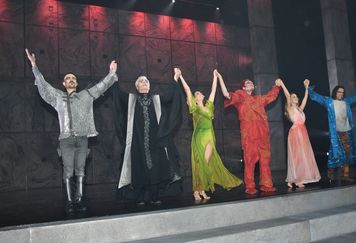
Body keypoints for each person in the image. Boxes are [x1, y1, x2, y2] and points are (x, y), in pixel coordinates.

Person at [25, 48, 118, 213]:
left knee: (80, 170)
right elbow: (43, 85)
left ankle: (80, 199)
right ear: (63, 83)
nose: (71, 80)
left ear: (76, 83)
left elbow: (101, 87)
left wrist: (111, 74)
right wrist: (34, 66)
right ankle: (70, 201)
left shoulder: (85, 95)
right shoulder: (57, 97)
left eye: (73, 78)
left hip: (82, 139)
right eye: (68, 78)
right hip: (66, 140)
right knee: (68, 170)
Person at [112, 69, 183, 206]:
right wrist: (113, 75)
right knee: (139, 166)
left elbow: (170, 96)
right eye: (141, 82)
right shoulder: (131, 98)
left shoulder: (156, 98)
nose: (144, 83)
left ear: (149, 86)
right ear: (137, 87)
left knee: (155, 167)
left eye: (146, 82)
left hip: (155, 141)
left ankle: (155, 195)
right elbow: (117, 93)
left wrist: (175, 79)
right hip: (137, 141)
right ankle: (140, 196)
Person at [178, 68, 242, 200]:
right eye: (196, 95)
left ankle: (201, 189)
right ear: (194, 100)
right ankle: (198, 191)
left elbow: (213, 91)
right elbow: (188, 90)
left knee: (205, 163)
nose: (198, 94)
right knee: (201, 163)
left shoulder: (209, 106)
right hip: (199, 137)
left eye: (199, 93)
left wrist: (216, 77)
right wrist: (180, 77)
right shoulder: (194, 108)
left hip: (210, 137)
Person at [219, 74, 282, 194]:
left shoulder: (259, 99)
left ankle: (266, 184)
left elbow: (271, 96)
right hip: (249, 135)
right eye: (247, 83)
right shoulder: (240, 96)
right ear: (243, 88)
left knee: (265, 160)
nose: (250, 83)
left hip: (262, 134)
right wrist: (221, 78)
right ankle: (250, 186)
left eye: (251, 82)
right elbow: (227, 94)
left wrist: (277, 86)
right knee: (249, 160)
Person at [308, 79, 356, 182]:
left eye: (342, 92)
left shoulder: (346, 101)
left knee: (347, 152)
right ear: (335, 92)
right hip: (335, 133)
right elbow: (317, 98)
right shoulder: (329, 101)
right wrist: (309, 88)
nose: (341, 94)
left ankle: (345, 175)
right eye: (339, 92)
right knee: (335, 153)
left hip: (346, 131)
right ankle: (330, 172)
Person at [280, 79, 321, 188]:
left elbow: (305, 99)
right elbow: (287, 95)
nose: (295, 98)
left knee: (303, 156)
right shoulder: (290, 108)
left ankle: (293, 179)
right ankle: (297, 180)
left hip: (303, 133)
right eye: (293, 97)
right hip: (295, 133)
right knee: (297, 156)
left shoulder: (299, 109)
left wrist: (306, 87)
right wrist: (282, 84)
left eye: (296, 97)